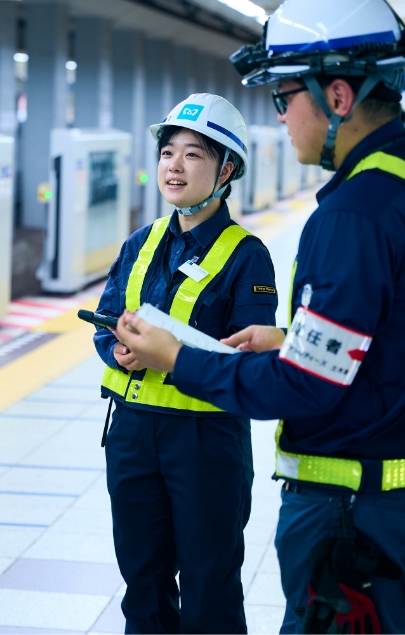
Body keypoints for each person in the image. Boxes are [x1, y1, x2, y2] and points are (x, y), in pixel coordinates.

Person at [114, 1, 405, 633]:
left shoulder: (354, 214)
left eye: (284, 97)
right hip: (401, 491)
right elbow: (394, 332)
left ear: (337, 96)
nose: (280, 117)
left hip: (354, 509)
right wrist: (291, 338)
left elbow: (302, 386)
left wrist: (176, 358)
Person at [95, 93, 279, 634]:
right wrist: (117, 349)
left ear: (227, 170)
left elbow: (247, 358)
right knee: (143, 583)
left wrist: (171, 354)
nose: (174, 166)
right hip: (132, 432)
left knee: (209, 588)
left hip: (204, 441)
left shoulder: (247, 255)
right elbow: (108, 318)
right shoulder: (140, 242)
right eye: (167, 152)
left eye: (193, 154)